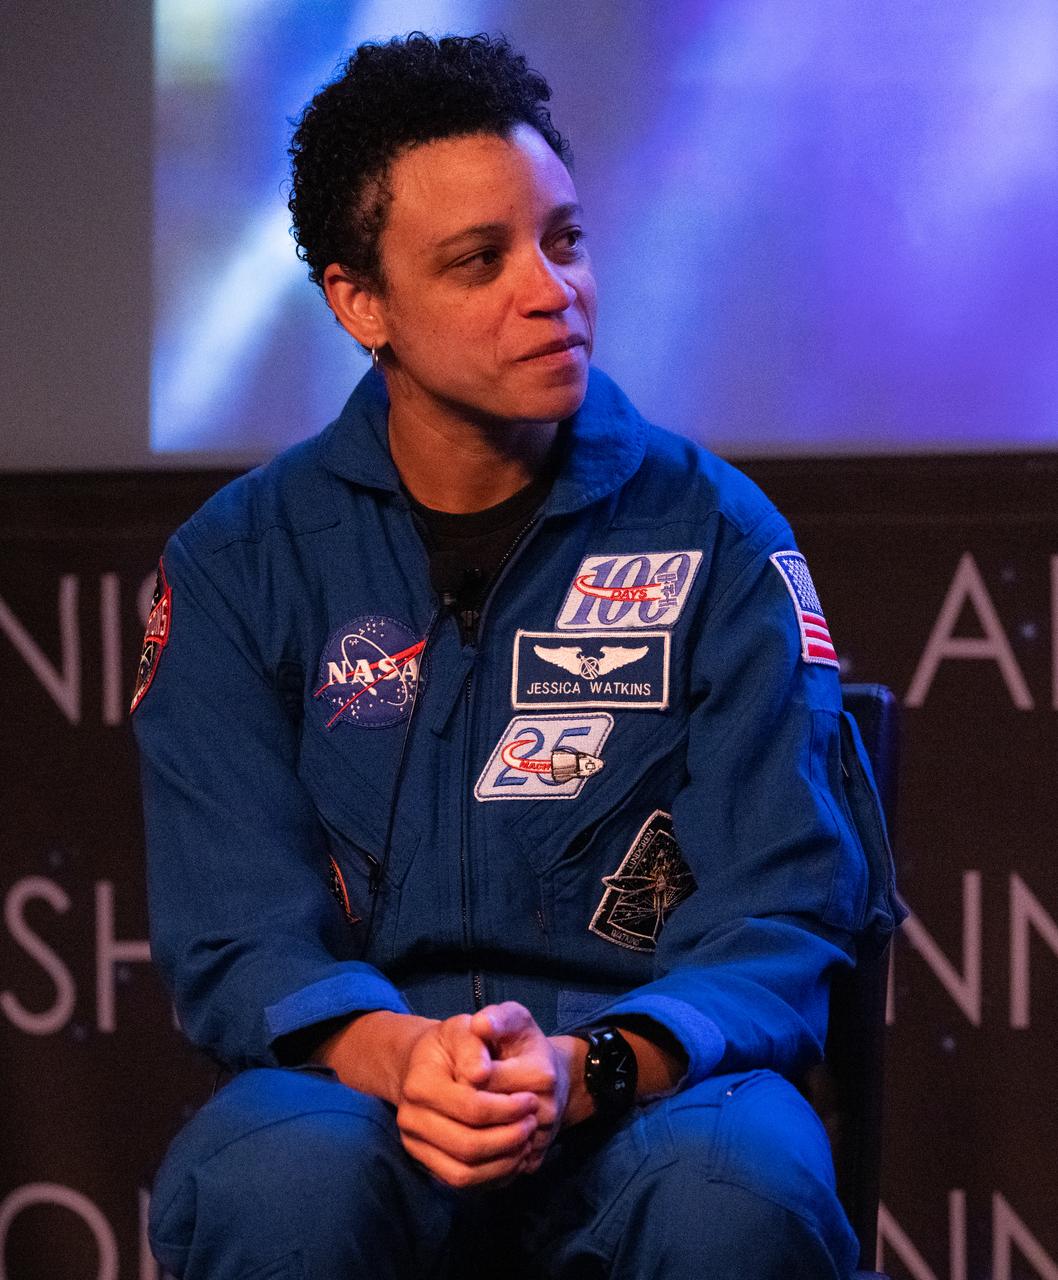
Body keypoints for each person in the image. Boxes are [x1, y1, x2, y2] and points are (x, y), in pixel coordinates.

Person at [133, 32, 901, 1280]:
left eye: (565, 239)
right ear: (359, 303)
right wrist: (405, 1056)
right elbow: (236, 930)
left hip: (651, 1089)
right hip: (359, 1091)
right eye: (478, 260)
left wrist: (589, 1066)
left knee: (734, 1193)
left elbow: (780, 902)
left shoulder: (716, 534)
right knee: (276, 1185)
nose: (551, 291)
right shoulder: (239, 562)